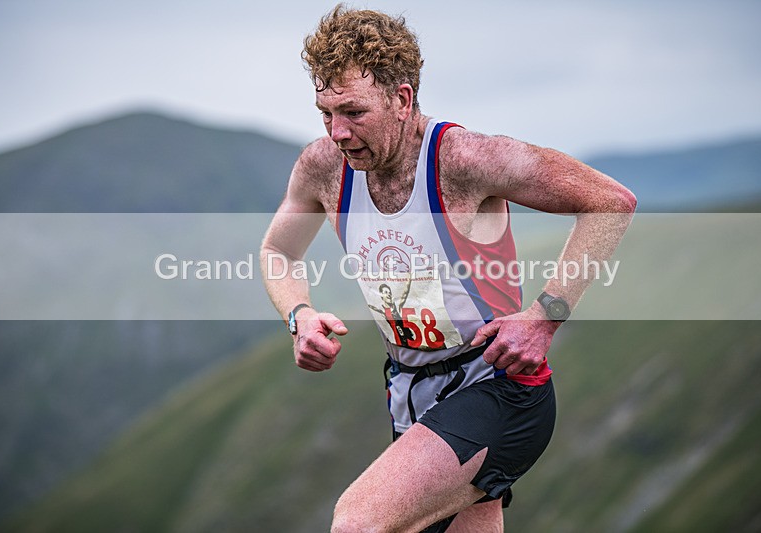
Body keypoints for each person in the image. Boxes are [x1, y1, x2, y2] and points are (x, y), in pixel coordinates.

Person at [260, 5, 636, 532]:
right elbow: (278, 252)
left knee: (357, 524)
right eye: (325, 113)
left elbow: (610, 201)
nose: (338, 132)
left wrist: (546, 316)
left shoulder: (465, 159)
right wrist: (298, 315)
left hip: (497, 387)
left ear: (402, 98)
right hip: (410, 393)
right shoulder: (324, 166)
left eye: (354, 112)